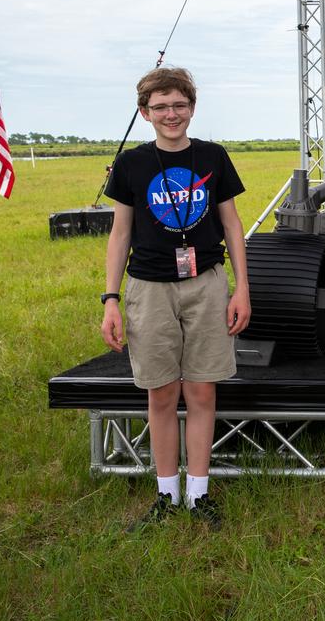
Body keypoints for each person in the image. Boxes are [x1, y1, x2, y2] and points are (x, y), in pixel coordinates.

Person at [100, 66, 250, 531]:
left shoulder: (213, 157)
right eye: (161, 107)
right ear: (145, 113)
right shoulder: (131, 164)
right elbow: (120, 232)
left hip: (205, 283)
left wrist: (241, 287)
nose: (171, 114)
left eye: (179, 105)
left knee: (203, 389)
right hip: (149, 287)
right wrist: (110, 298)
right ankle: (166, 495)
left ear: (192, 108)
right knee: (162, 393)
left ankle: (198, 495)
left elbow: (231, 224)